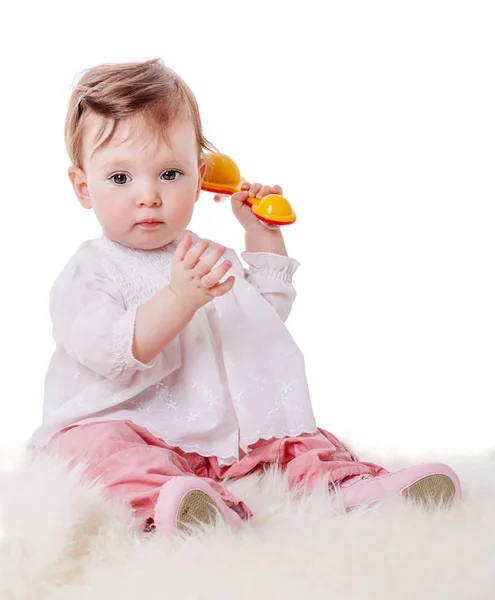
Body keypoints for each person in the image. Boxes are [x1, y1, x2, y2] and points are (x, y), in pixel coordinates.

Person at [31, 58, 461, 535]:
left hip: (217, 431)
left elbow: (260, 320)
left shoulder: (208, 256)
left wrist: (260, 236)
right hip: (128, 422)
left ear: (200, 178)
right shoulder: (88, 271)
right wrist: (178, 298)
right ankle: (182, 508)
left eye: (169, 174)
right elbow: (111, 352)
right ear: (83, 186)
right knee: (97, 452)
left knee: (294, 439)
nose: (148, 195)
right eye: (120, 178)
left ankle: (353, 490)